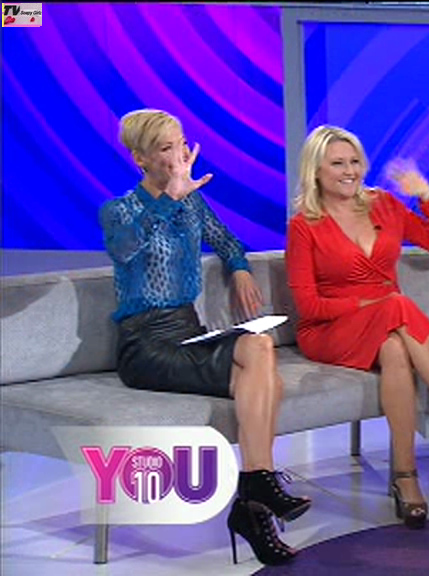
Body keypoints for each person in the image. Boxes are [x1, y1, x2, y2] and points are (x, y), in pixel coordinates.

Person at [99, 109, 308, 566]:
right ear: (140, 158)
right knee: (264, 377)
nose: (179, 157)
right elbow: (125, 248)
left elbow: (229, 242)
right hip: (144, 344)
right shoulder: (119, 210)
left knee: (260, 347)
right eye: (165, 148)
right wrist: (167, 200)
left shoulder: (192, 203)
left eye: (181, 144)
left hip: (188, 331)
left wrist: (240, 270)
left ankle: (254, 490)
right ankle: (256, 496)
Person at [285, 125, 429, 530]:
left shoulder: (384, 205)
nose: (350, 171)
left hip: (387, 322)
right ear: (315, 170)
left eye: (355, 162)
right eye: (338, 164)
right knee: (396, 305)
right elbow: (309, 306)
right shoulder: (304, 226)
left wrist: (425, 195)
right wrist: (364, 304)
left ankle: (405, 478)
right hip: (330, 330)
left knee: (394, 350)